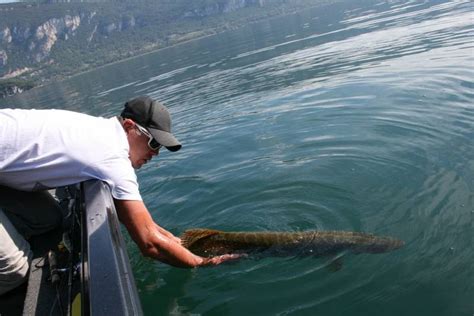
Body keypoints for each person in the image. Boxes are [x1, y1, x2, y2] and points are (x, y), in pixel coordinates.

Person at [0, 96, 239, 295]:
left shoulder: (100, 130)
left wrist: (180, 243)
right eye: (153, 143)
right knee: (14, 270)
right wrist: (203, 263)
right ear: (129, 126)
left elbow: (147, 227)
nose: (155, 153)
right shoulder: (112, 156)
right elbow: (149, 244)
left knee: (49, 219)